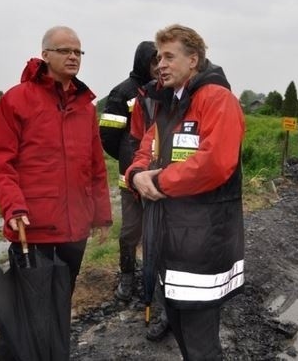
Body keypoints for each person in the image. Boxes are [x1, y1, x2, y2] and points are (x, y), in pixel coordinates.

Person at [0, 25, 112, 359]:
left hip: (75, 231)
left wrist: (100, 216)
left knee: (59, 306)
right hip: (34, 228)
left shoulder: (85, 106)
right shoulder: (16, 100)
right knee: (25, 314)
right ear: (45, 55)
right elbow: (0, 163)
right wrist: (13, 208)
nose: (73, 57)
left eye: (78, 52)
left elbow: (95, 165)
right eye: (65, 50)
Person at [126, 24, 245, 360]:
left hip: (203, 243)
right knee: (179, 328)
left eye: (169, 56)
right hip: (170, 239)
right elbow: (146, 146)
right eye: (158, 57)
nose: (160, 64)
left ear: (193, 60)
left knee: (201, 344)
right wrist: (136, 176)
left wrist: (160, 182)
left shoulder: (217, 100)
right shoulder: (168, 104)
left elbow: (215, 163)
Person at [98, 41, 169, 341]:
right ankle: (127, 277)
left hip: (162, 179)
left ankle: (160, 289)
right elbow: (109, 138)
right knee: (130, 232)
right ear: (143, 63)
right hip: (132, 179)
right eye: (154, 62)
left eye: (162, 61)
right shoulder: (122, 93)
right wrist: (130, 162)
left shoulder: (168, 90)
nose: (159, 67)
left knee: (163, 236)